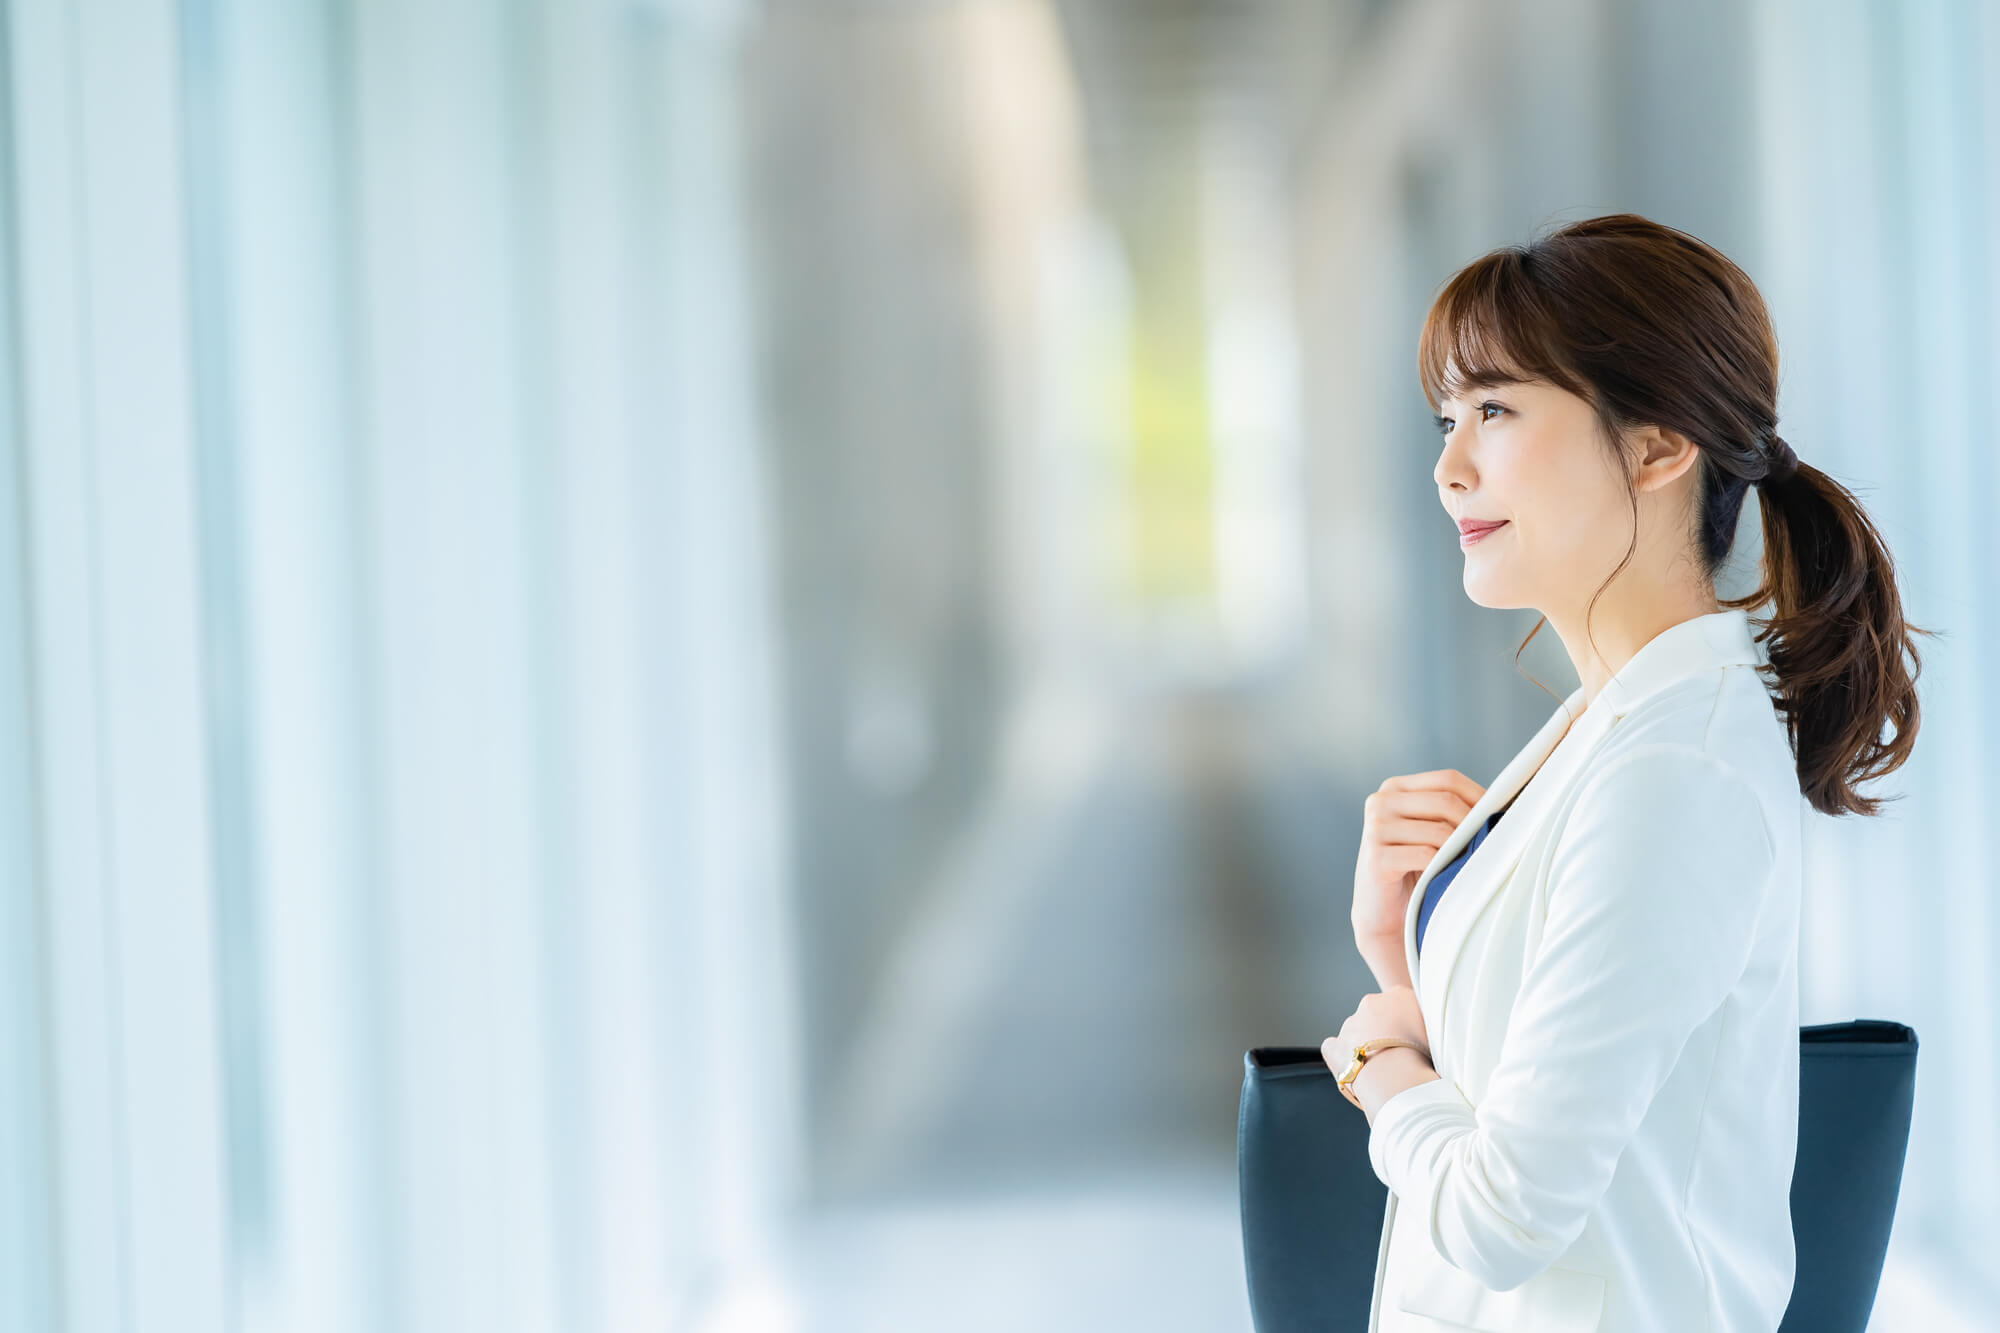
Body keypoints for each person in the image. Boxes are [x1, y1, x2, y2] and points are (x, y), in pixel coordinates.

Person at [1326, 213, 1931, 1333]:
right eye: (1447, 417)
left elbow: (1504, 1216)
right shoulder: (1614, 720)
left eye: (1494, 410)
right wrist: (1401, 952)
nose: (1448, 464)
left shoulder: (1675, 765)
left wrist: (1374, 1061)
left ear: (1655, 447)